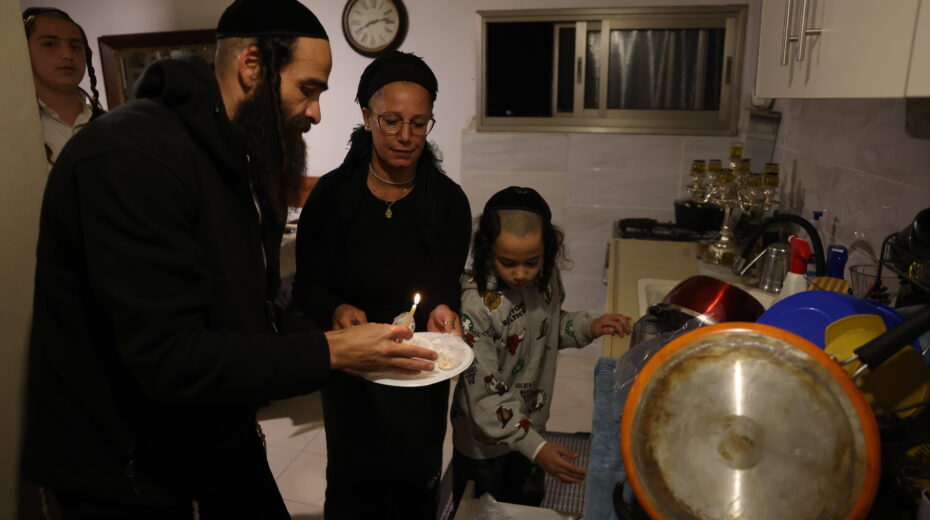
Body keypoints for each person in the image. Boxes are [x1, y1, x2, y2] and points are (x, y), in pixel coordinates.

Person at [20, 1, 440, 518]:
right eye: (307, 89)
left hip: (213, 439)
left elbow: (236, 306)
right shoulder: (131, 156)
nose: (315, 112)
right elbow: (169, 359)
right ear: (253, 67)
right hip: (128, 473)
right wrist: (331, 352)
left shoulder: (230, 154)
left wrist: (323, 331)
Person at [293, 51, 472, 519]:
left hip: (419, 366)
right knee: (355, 483)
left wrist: (442, 308)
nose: (406, 136)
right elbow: (307, 285)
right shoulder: (332, 197)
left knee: (414, 482)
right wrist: (334, 309)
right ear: (366, 117)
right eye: (391, 121)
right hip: (353, 367)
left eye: (419, 122)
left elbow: (443, 284)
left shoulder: (447, 202)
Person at [450, 186, 633, 509]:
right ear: (487, 251)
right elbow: (485, 394)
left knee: (525, 507)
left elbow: (547, 328)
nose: (521, 274)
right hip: (484, 442)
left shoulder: (545, 279)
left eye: (532, 262)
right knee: (479, 512)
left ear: (547, 253)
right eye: (508, 263)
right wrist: (535, 447)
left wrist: (588, 326)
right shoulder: (476, 307)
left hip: (531, 424)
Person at [23, 7, 105, 165]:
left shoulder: (114, 126)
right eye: (50, 44)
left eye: (75, 47)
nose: (67, 55)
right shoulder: (10, 130)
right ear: (24, 50)